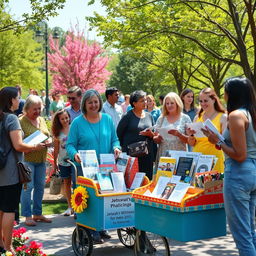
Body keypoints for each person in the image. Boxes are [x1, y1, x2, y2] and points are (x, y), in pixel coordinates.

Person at [203, 77, 256, 256]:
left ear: (231, 94)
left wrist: (216, 140)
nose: (223, 95)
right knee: (249, 230)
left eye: (225, 91)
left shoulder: (235, 116)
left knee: (242, 234)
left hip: (238, 173)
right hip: (252, 173)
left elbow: (239, 154)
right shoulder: (251, 113)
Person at [66, 89, 121, 244]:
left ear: (100, 103)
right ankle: (90, 231)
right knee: (89, 200)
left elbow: (114, 140)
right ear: (85, 104)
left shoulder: (107, 120)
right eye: (90, 102)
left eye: (96, 101)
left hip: (105, 166)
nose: (93, 105)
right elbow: (70, 144)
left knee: (103, 198)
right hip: (85, 168)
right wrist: (74, 154)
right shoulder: (77, 122)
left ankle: (101, 228)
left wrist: (117, 148)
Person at [0, 87, 45, 254]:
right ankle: (8, 246)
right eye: (18, 97)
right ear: (11, 100)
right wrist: (35, 146)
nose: (20, 101)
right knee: (9, 209)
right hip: (10, 171)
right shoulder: (11, 118)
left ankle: (0, 242)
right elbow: (18, 145)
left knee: (1, 208)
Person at [19, 95, 53, 226]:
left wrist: (49, 141)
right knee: (28, 188)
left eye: (39, 108)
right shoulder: (21, 121)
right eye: (35, 109)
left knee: (40, 188)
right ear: (27, 108)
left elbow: (47, 134)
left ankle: (37, 213)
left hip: (41, 159)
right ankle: (27, 216)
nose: (38, 112)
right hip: (27, 159)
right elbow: (18, 143)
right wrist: (34, 147)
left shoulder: (41, 119)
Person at [117, 90, 155, 180]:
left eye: (145, 100)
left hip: (147, 156)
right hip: (132, 157)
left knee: (147, 181)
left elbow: (155, 133)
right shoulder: (127, 116)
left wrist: (151, 134)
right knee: (132, 181)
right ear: (134, 103)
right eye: (142, 101)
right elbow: (119, 133)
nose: (145, 102)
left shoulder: (149, 116)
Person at [187, 88, 227, 173]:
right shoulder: (197, 117)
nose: (202, 104)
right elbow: (192, 143)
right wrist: (191, 135)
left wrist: (213, 137)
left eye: (205, 101)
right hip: (198, 158)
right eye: (200, 101)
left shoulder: (223, 117)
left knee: (215, 185)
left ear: (214, 100)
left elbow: (226, 143)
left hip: (215, 158)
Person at [153, 92, 191, 164]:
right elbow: (155, 138)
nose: (169, 105)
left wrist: (179, 135)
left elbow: (191, 141)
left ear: (177, 103)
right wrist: (157, 138)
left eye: (172, 103)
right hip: (164, 157)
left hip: (180, 157)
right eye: (167, 103)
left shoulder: (185, 118)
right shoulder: (161, 119)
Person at [52, 109, 73, 216]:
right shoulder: (57, 133)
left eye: (66, 117)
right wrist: (54, 164)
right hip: (63, 162)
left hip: (74, 161)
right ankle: (70, 206)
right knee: (67, 184)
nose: (65, 120)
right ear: (58, 120)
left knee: (77, 183)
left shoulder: (74, 128)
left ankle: (78, 206)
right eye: (62, 119)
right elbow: (56, 149)